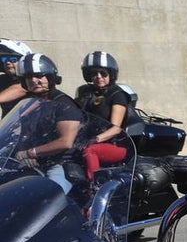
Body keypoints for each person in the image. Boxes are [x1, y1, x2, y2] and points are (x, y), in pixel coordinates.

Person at [9, 53, 86, 194]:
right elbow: (25, 133)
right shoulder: (31, 104)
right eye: (28, 77)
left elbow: (66, 142)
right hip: (37, 163)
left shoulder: (63, 103)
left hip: (60, 164)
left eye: (39, 76)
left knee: (51, 196)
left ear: (50, 78)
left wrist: (30, 153)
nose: (33, 80)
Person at [74, 51, 132, 180]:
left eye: (103, 73)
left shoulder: (117, 95)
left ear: (110, 75)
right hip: (85, 141)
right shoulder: (85, 92)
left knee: (90, 150)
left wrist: (95, 139)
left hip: (114, 145)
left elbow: (116, 128)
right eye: (94, 73)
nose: (98, 77)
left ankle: (94, 185)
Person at [0, 39, 32, 116]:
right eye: (4, 59)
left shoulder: (32, 78)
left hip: (32, 124)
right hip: (8, 125)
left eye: (13, 59)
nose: (8, 62)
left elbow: (20, 89)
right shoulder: (3, 79)